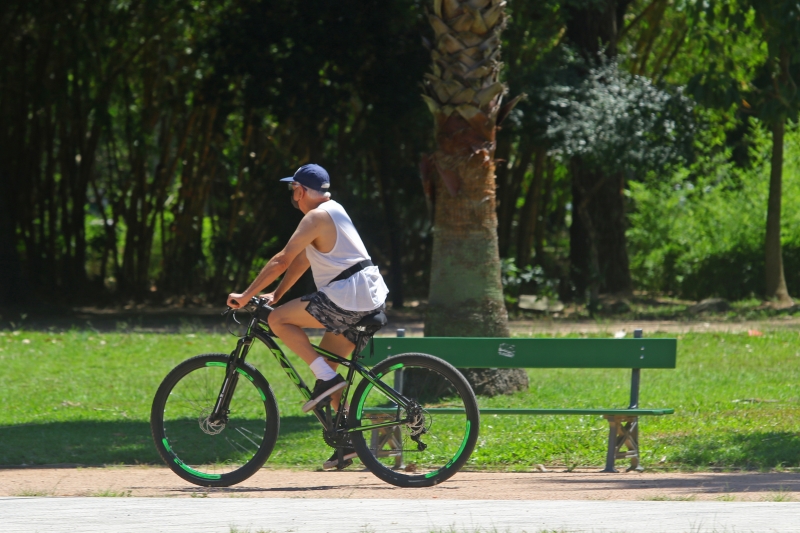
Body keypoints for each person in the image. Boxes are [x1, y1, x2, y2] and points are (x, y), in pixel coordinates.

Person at [227, 163, 389, 469]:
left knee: (278, 320)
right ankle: (351, 443)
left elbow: (281, 260)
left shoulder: (315, 217)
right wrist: (276, 295)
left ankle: (327, 381)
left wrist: (246, 296)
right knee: (328, 365)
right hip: (367, 297)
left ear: (300, 191)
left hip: (349, 296)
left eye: (293, 190)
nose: (293, 195)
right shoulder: (334, 210)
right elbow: (301, 260)